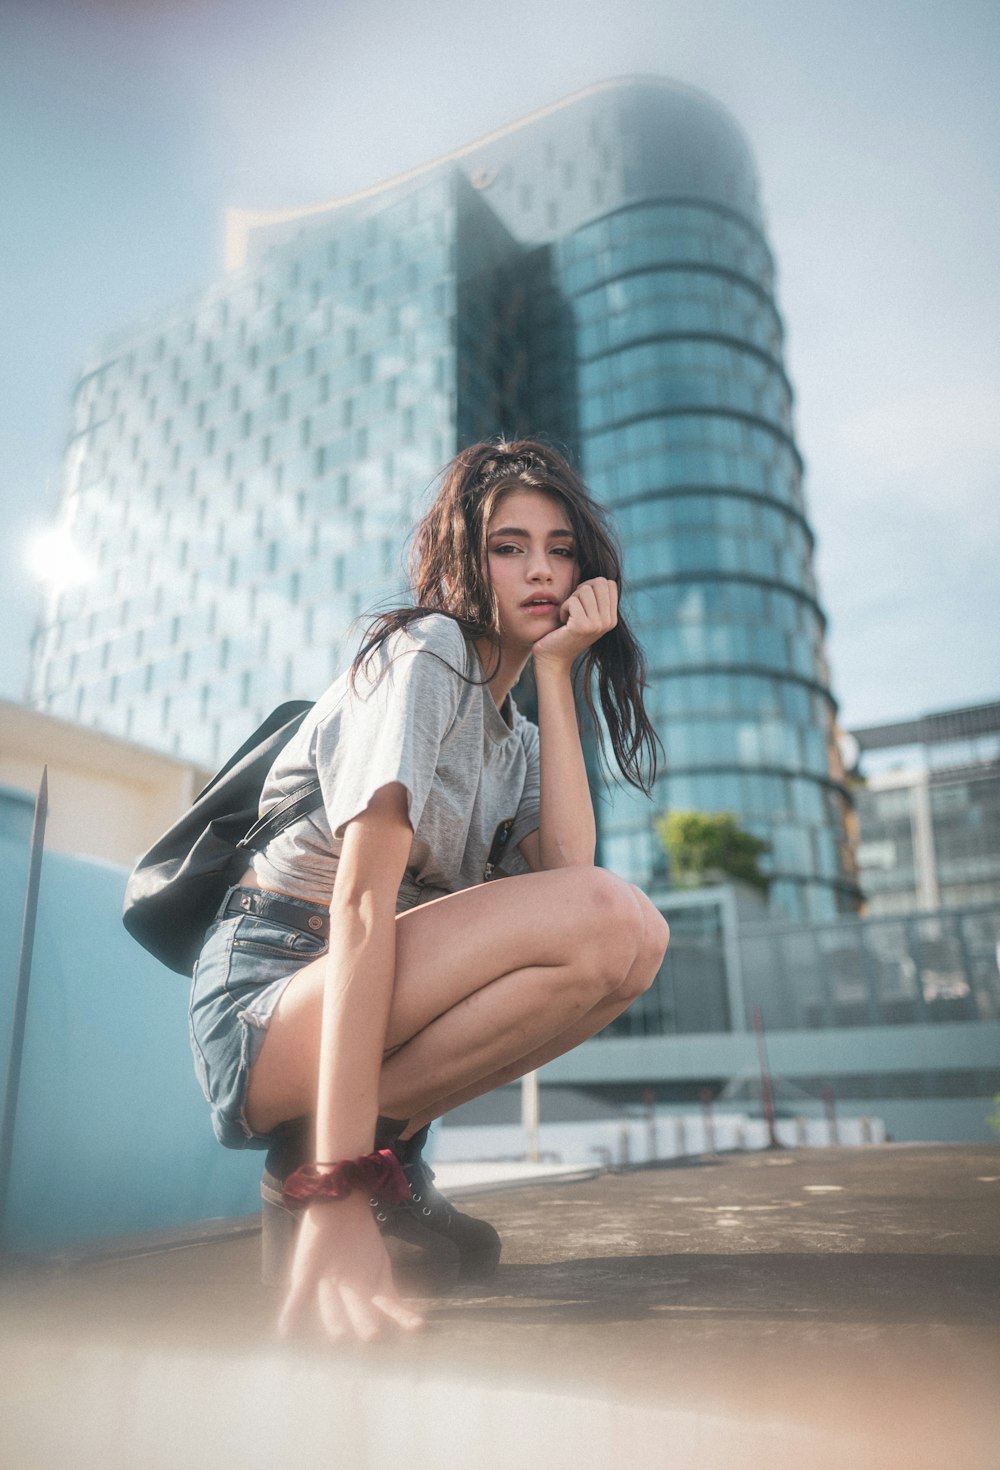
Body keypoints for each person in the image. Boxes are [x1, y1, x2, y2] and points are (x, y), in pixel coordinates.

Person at [188, 438, 670, 1343]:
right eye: (508, 545)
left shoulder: (516, 736)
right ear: (463, 557)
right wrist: (333, 1199)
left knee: (631, 942)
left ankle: (362, 1160)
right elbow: (363, 909)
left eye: (560, 549)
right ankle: (332, 1180)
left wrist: (560, 671)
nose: (540, 570)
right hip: (269, 991)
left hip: (351, 989)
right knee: (614, 917)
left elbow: (572, 886)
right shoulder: (427, 653)